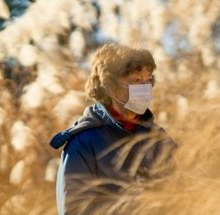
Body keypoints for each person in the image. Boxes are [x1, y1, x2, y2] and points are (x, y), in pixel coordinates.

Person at [50, 43, 177, 214]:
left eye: (148, 80)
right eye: (136, 80)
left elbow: (180, 194)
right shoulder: (83, 143)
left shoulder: (158, 138)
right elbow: (74, 209)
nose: (145, 88)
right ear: (110, 87)